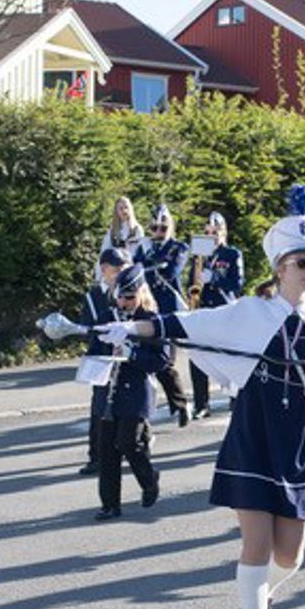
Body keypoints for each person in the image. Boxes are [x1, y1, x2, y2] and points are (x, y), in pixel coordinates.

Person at [98, 185, 305, 609]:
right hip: (252, 434)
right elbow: (190, 324)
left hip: (297, 439)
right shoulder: (251, 313)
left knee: (291, 556)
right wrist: (134, 328)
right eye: (300, 263)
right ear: (279, 267)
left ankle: (259, 597)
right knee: (255, 544)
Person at [92, 264, 168, 521]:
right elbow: (92, 348)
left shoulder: (150, 320)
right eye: (120, 296)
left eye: (129, 296)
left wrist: (131, 353)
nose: (124, 302)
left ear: (141, 293)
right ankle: (110, 504)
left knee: (128, 443)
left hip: (135, 391)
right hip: (108, 390)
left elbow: (161, 360)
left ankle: (149, 480)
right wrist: (103, 351)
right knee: (106, 450)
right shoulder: (107, 316)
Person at [133, 205, 191, 427]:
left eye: (163, 227)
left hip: (167, 309)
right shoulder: (145, 246)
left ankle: (180, 403)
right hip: (147, 308)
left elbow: (171, 271)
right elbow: (136, 271)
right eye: (155, 227)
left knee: (164, 361)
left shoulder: (179, 247)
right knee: (144, 359)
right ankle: (151, 406)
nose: (159, 231)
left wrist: (152, 260)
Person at [78, 247, 129, 476]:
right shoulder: (93, 295)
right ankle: (96, 456)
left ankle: (136, 446)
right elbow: (87, 326)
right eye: (116, 268)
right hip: (101, 356)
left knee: (129, 404)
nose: (119, 273)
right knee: (99, 407)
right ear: (104, 269)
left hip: (125, 356)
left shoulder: (128, 292)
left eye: (123, 268)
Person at [189, 212, 244, 419]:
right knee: (197, 356)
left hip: (224, 309)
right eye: (208, 232)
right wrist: (194, 287)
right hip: (203, 309)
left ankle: (235, 399)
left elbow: (237, 285)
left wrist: (215, 278)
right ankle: (201, 404)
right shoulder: (200, 256)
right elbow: (191, 283)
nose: (211, 236)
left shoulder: (232, 254)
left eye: (215, 232)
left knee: (228, 357)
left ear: (223, 232)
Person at [94, 196, 144, 282]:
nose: (124, 211)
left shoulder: (136, 229)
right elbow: (104, 251)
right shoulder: (113, 230)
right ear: (117, 211)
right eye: (121, 208)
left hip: (130, 270)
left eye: (126, 207)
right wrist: (100, 274)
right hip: (114, 270)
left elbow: (138, 252)